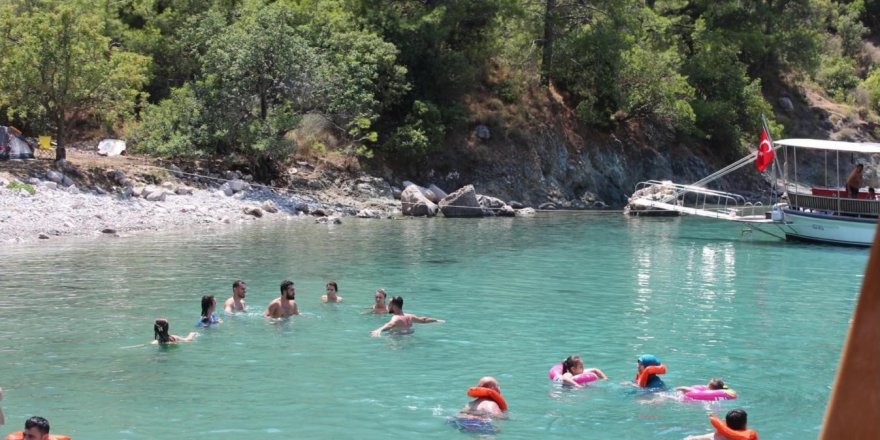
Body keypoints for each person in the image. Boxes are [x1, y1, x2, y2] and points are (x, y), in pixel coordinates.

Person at [371, 296, 444, 336]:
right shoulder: (410, 316)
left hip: (397, 342)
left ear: (393, 306)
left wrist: (379, 330)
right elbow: (423, 320)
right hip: (409, 335)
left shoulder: (396, 318)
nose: (388, 306)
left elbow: (390, 325)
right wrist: (435, 320)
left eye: (389, 304)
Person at [685, 409, 758, 440]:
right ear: (745, 423)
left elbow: (689, 438)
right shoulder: (749, 437)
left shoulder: (715, 436)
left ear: (726, 422)